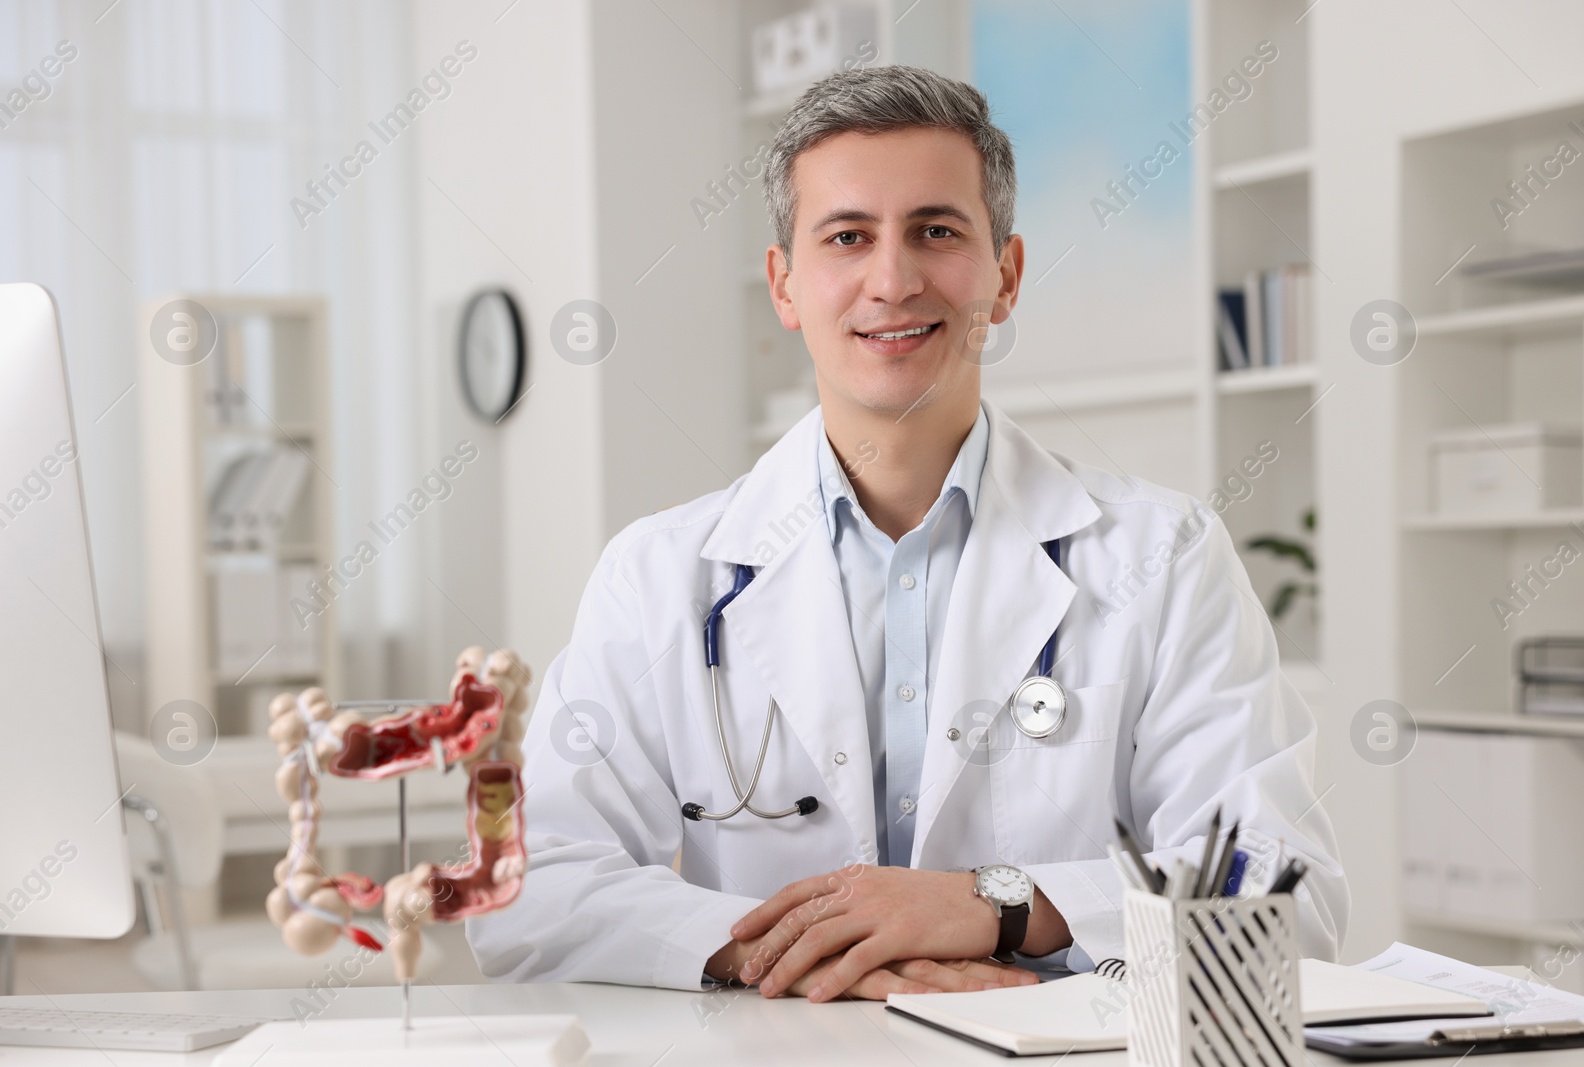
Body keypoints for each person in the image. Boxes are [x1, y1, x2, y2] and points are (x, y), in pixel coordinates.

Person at [467, 64, 1347, 1001]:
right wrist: (824, 952)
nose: (892, 279)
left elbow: (1280, 903)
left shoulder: (1161, 556)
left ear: (1004, 276)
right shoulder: (660, 575)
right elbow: (528, 892)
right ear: (786, 286)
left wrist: (993, 904)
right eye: (847, 237)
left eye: (937, 231)